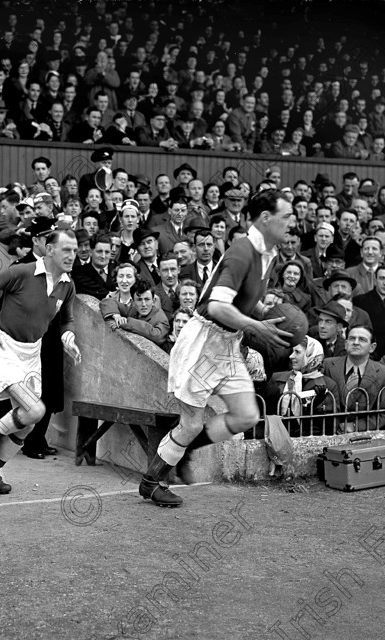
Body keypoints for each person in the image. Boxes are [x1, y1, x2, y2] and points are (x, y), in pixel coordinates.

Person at [141, 189, 294, 507]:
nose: (290, 223)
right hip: (205, 340)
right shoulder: (241, 251)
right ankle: (151, 481)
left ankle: (183, 450)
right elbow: (218, 306)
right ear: (265, 219)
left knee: (246, 416)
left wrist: (264, 309)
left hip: (228, 340)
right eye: (286, 217)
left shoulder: (269, 254)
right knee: (192, 421)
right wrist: (257, 325)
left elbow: (246, 298)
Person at [0, 229, 81, 494]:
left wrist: (68, 338)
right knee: (34, 411)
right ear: (49, 249)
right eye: (66, 249)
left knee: (28, 424)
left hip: (33, 353)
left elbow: (65, 319)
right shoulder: (22, 272)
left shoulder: (68, 284)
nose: (72, 255)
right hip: (5, 348)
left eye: (75, 250)